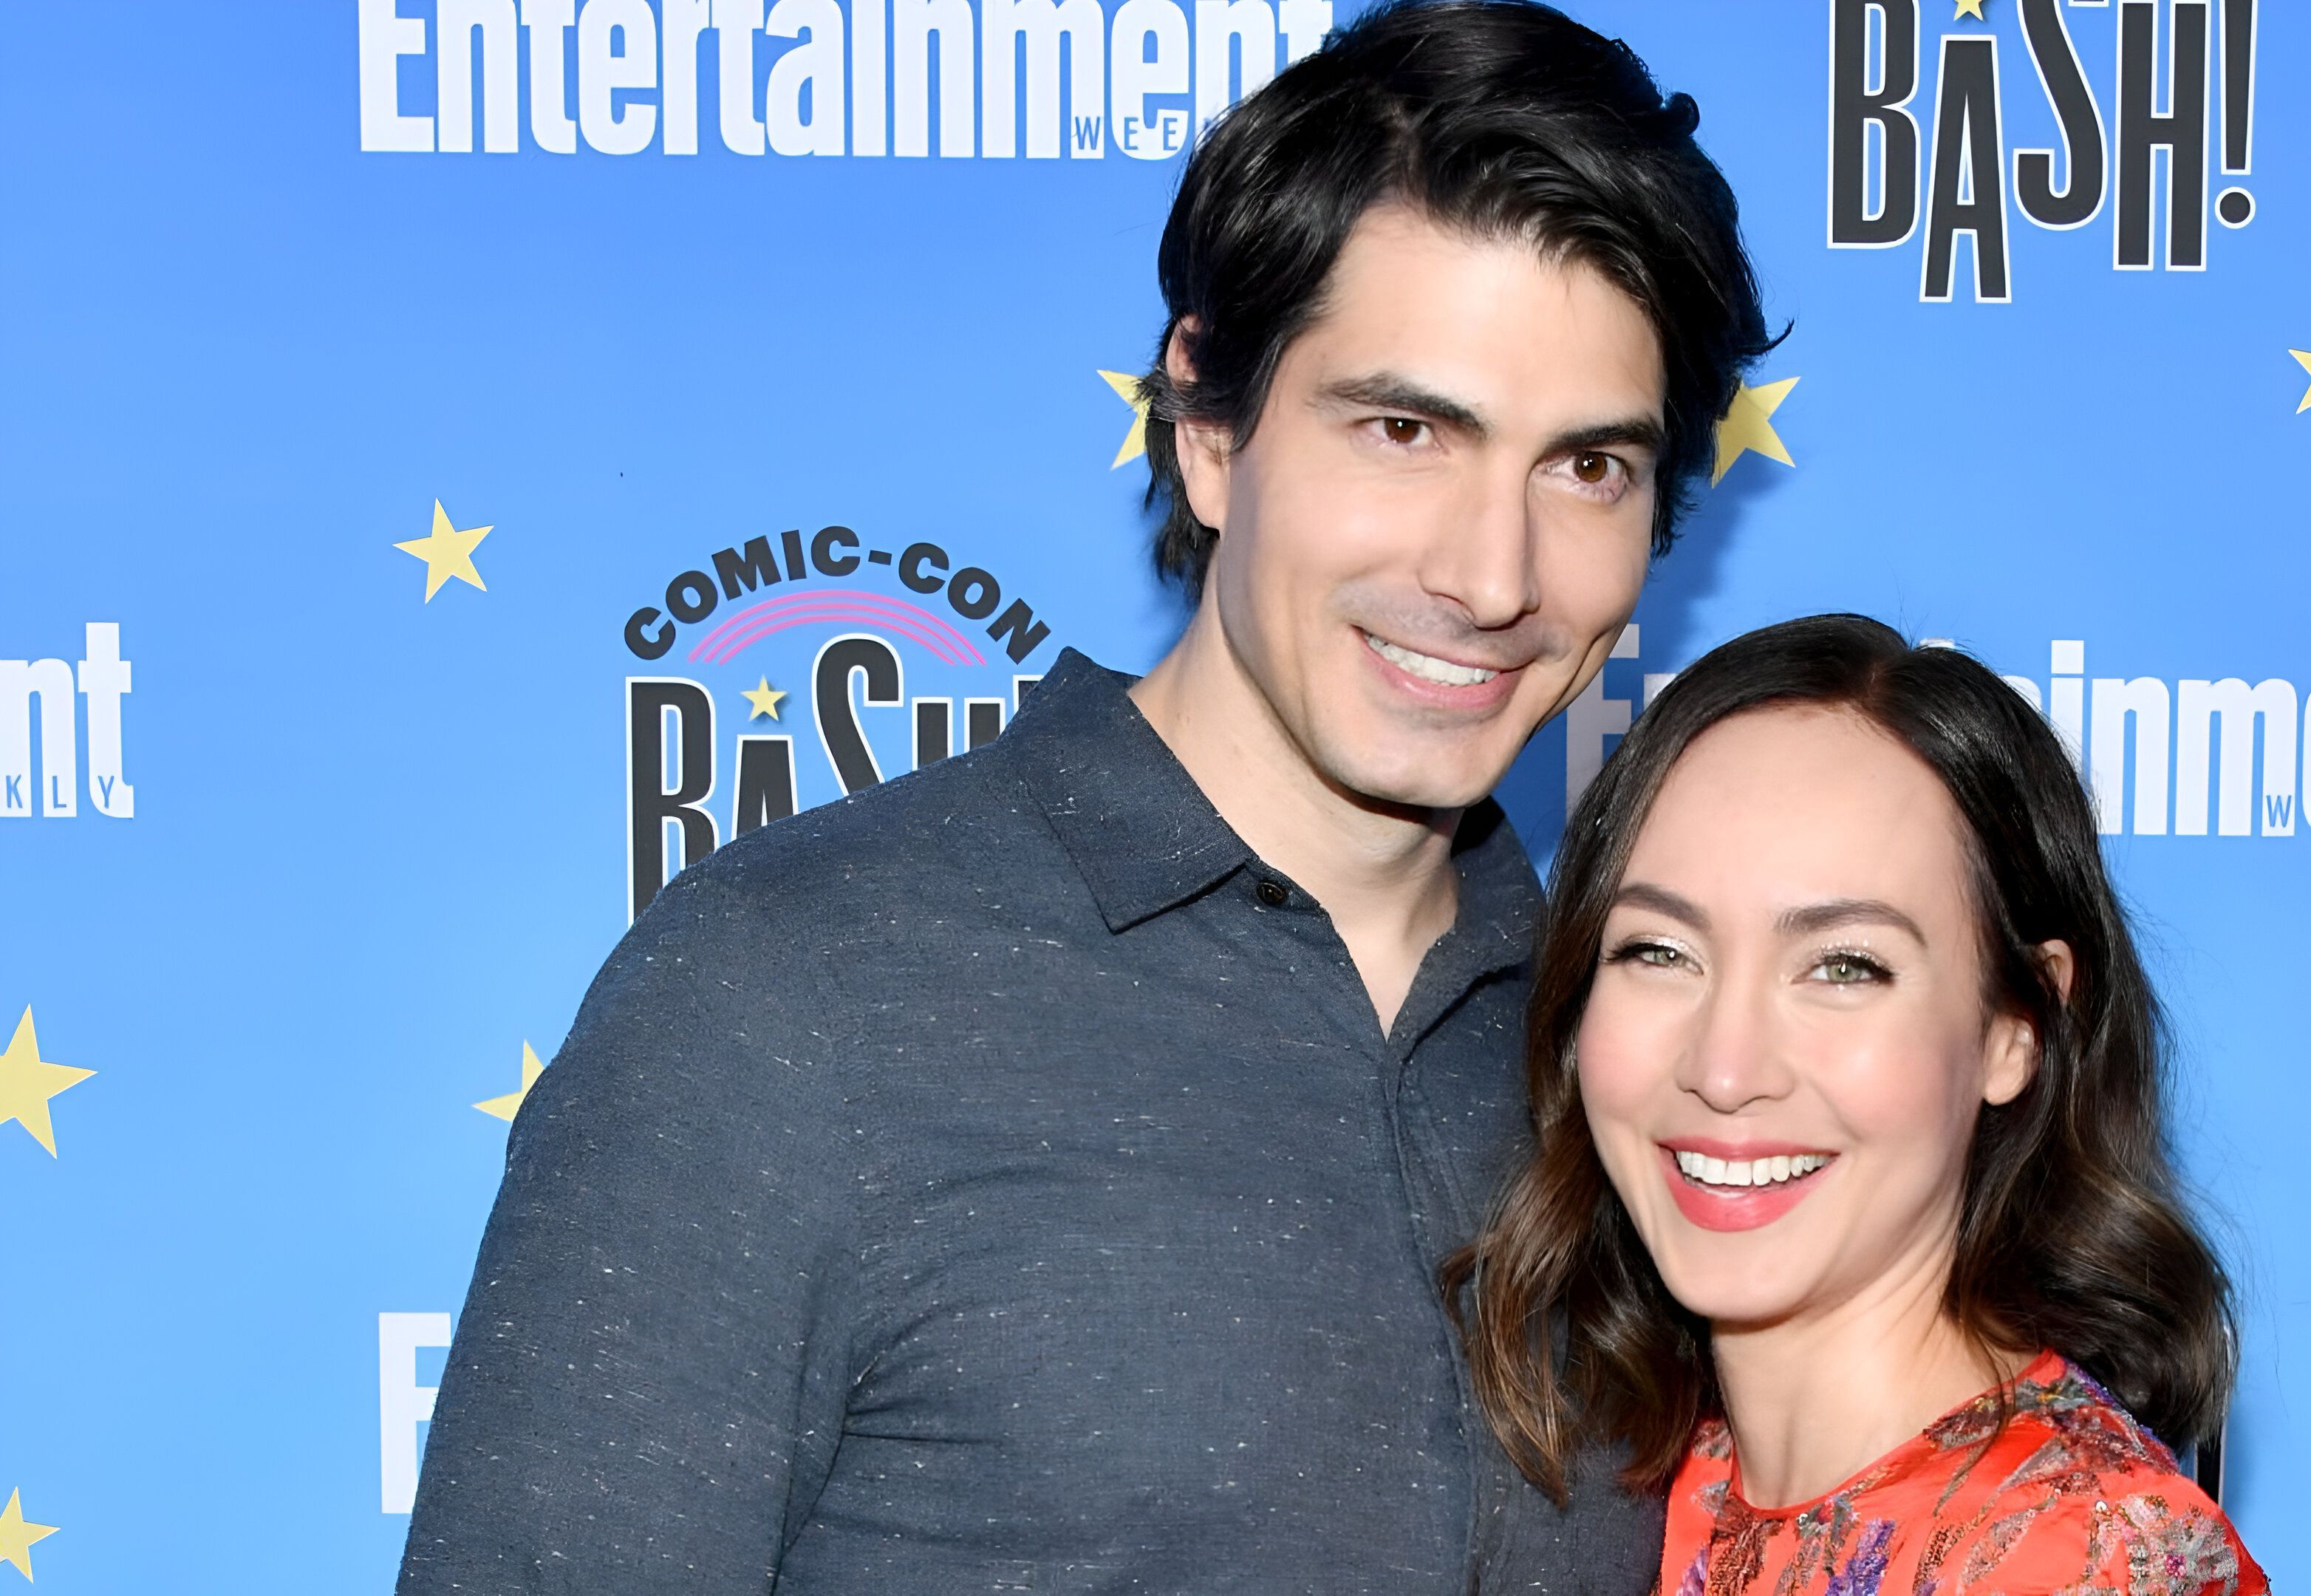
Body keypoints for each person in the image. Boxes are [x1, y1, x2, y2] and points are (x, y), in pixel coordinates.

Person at [397, 4, 1769, 1592]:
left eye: (1587, 468)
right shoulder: (788, 1001)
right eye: (1404, 430)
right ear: (1206, 421)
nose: (1490, 574)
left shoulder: (1646, 1065)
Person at [1450, 615, 2265, 1596]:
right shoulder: (1606, 1490)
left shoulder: (2092, 1561)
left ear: (2018, 1027)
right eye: (1659, 951)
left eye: (1844, 967)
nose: (1725, 1063)